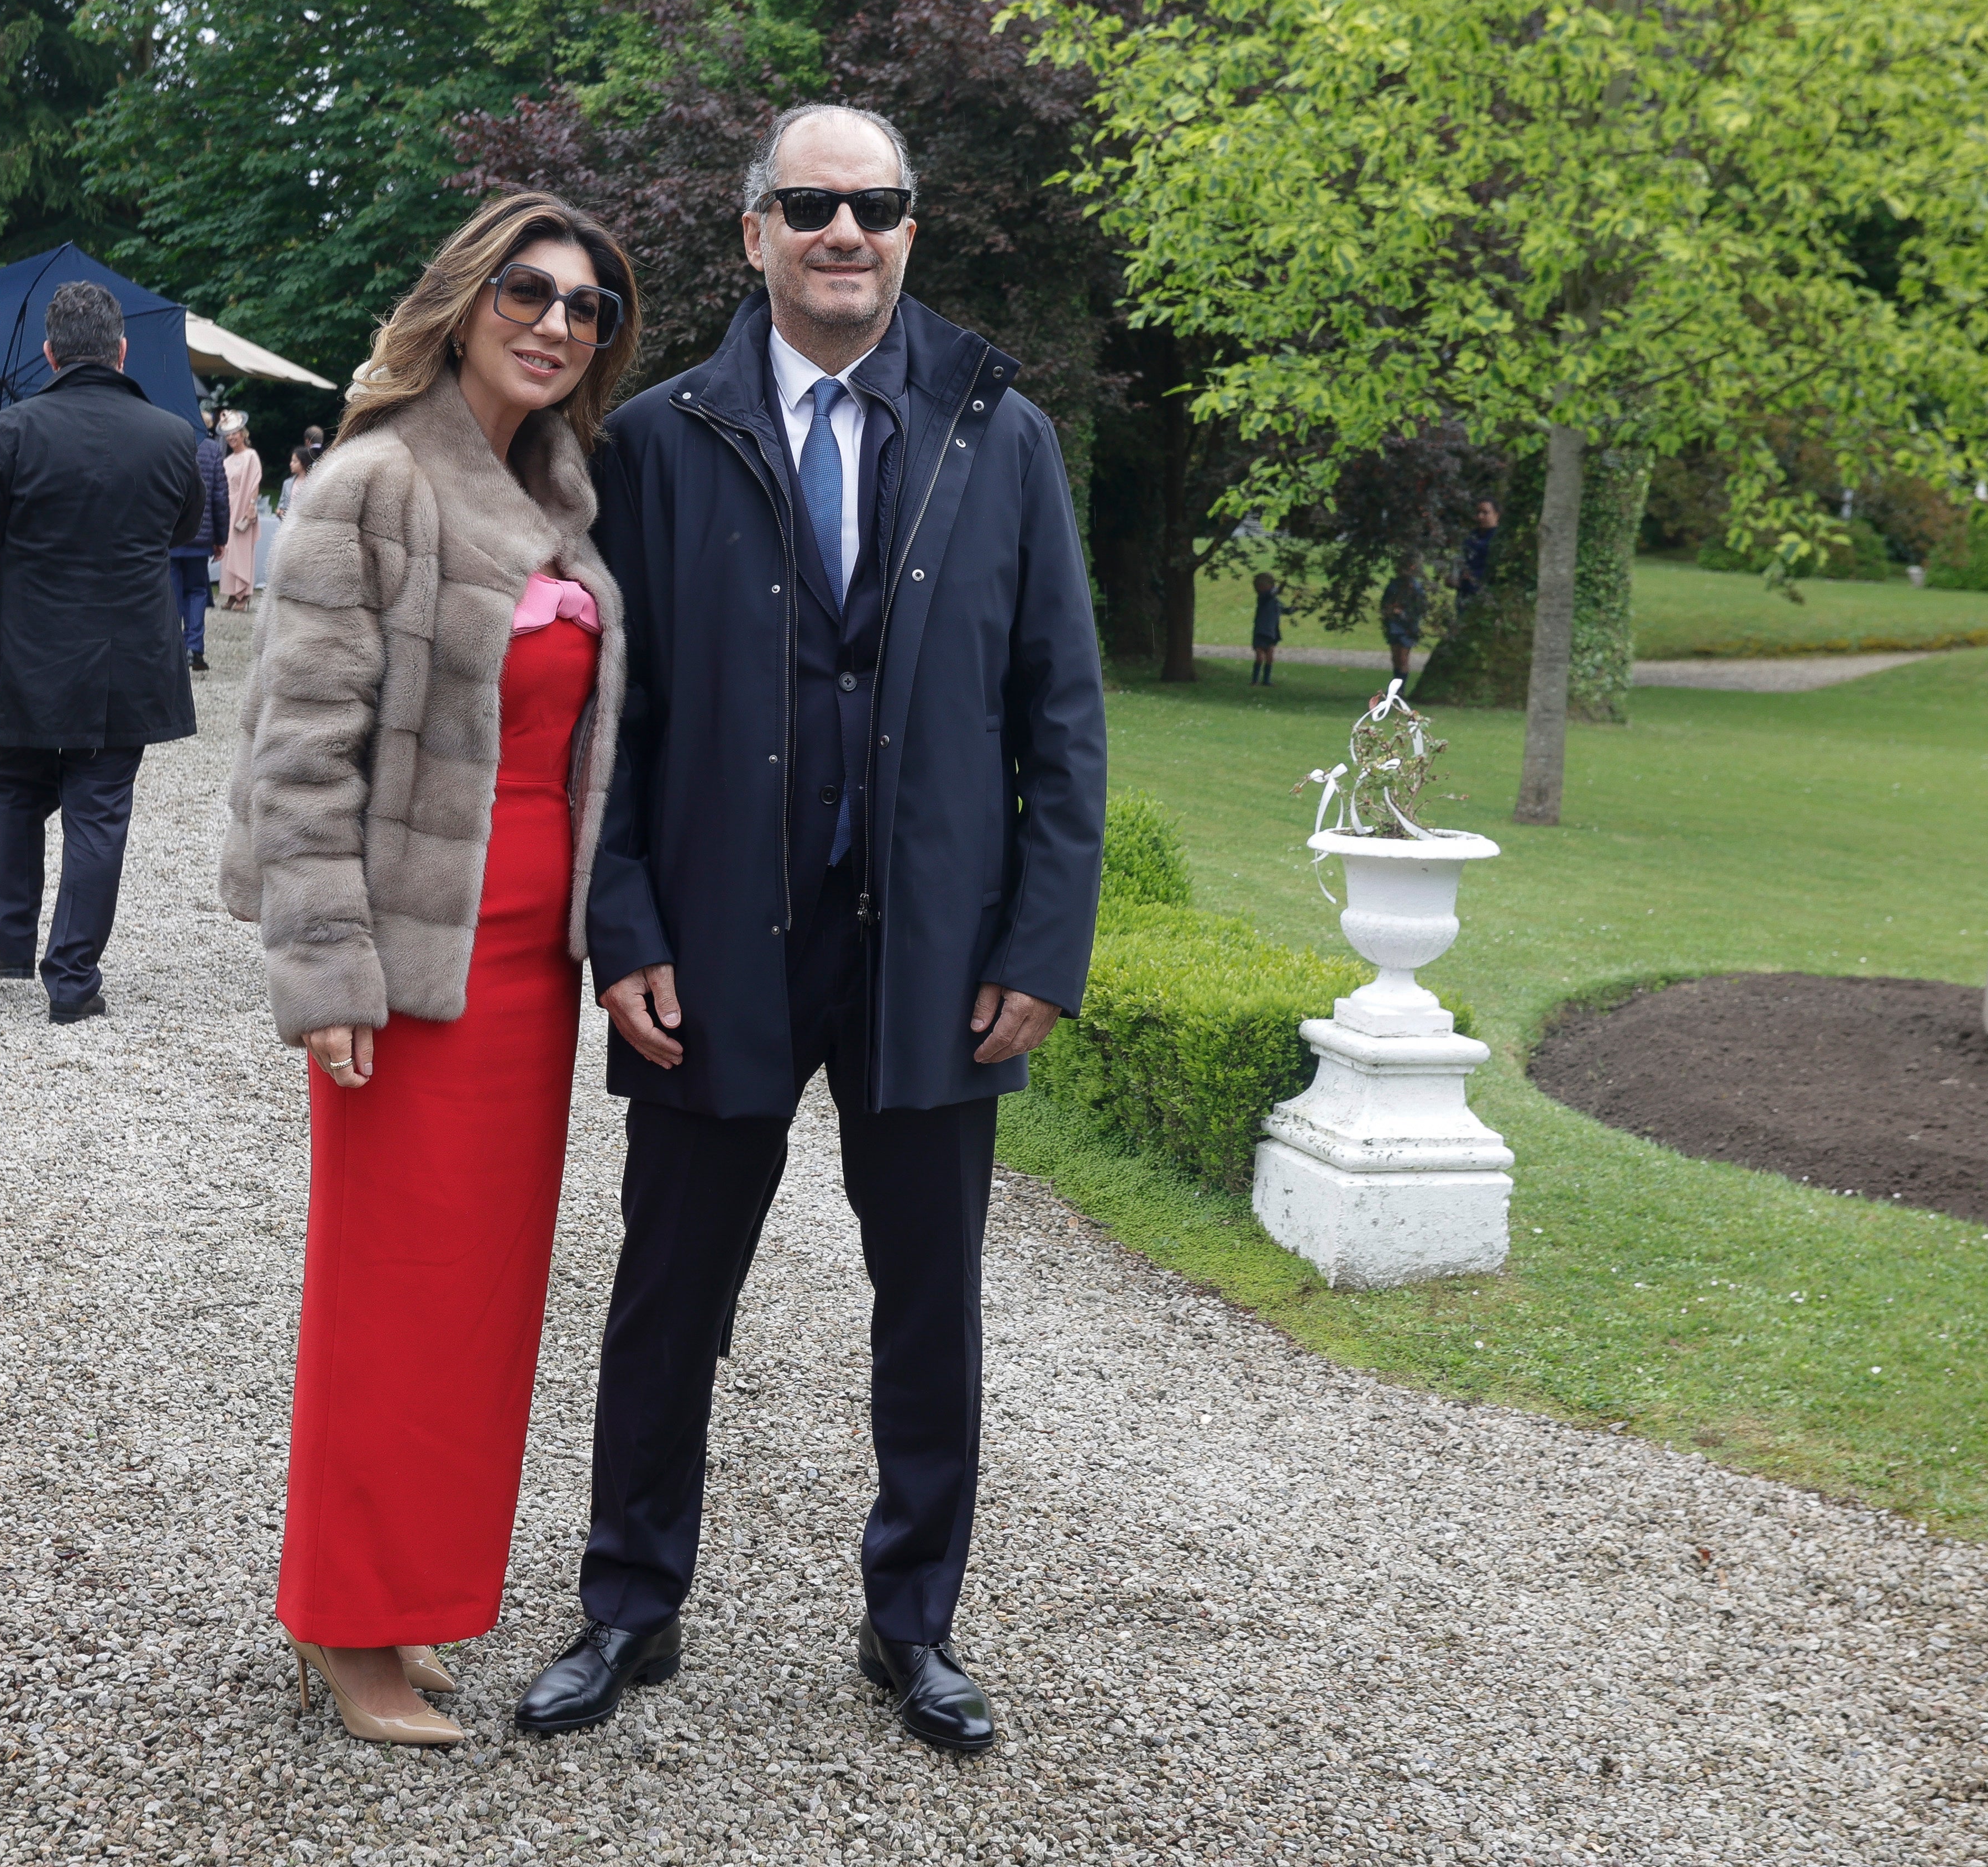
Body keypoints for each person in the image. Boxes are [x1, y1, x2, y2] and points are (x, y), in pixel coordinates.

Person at [513, 104, 1105, 1756]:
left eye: (878, 204)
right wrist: (621, 920)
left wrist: (1039, 945)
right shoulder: (658, 443)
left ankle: (912, 1623)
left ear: (911, 230)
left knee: (931, 1307)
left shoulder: (1001, 438)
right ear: (754, 231)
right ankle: (628, 1600)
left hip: (936, 957)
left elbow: (1062, 714)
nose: (846, 229)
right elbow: (610, 722)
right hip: (714, 943)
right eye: (811, 204)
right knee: (666, 1295)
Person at [221, 191, 639, 1747]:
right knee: (388, 1301)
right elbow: (301, 754)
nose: (555, 322)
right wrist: (328, 969)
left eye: (586, 306)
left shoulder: (559, 496)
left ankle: (412, 1598)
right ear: (464, 301)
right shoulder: (372, 484)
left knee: (480, 1306)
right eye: (527, 290)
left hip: (529, 972)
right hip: (406, 970)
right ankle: (346, 1623)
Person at [0, 282, 206, 1024]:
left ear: (49, 354)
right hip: (128, 657)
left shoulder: (12, 431)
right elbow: (183, 529)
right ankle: (72, 982)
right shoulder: (174, 438)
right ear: (122, 351)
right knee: (99, 811)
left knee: (15, 786)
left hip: (27, 653)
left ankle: (10, 942)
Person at [172, 417, 232, 671]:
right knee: (197, 591)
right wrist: (221, 537)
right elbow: (220, 496)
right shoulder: (212, 449)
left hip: (172, 534)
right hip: (200, 535)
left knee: (172, 592)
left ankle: (173, 649)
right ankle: (194, 648)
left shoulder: (169, 443)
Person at [219, 414, 263, 609]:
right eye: (228, 434)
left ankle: (243, 594)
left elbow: (255, 483)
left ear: (243, 434)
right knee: (229, 549)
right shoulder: (227, 460)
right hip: (228, 508)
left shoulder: (251, 456)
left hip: (243, 507)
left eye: (234, 433)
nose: (231, 437)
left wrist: (252, 505)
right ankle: (231, 592)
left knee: (242, 550)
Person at [1380, 551, 1428, 683]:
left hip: (1408, 626)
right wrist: (1390, 611)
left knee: (1403, 658)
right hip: (1394, 624)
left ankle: (1400, 689)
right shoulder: (1394, 585)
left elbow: (1420, 608)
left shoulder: (1416, 587)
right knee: (1395, 658)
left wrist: (1404, 614)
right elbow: (1385, 603)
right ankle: (1396, 685)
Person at [1251, 570, 1284, 685]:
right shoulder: (1263, 598)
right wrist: (1279, 588)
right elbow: (1271, 593)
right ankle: (1255, 680)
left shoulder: (1275, 602)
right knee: (1260, 657)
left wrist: (1294, 609)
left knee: (1270, 657)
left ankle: (1266, 680)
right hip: (1261, 632)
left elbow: (1284, 610)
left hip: (1272, 632)